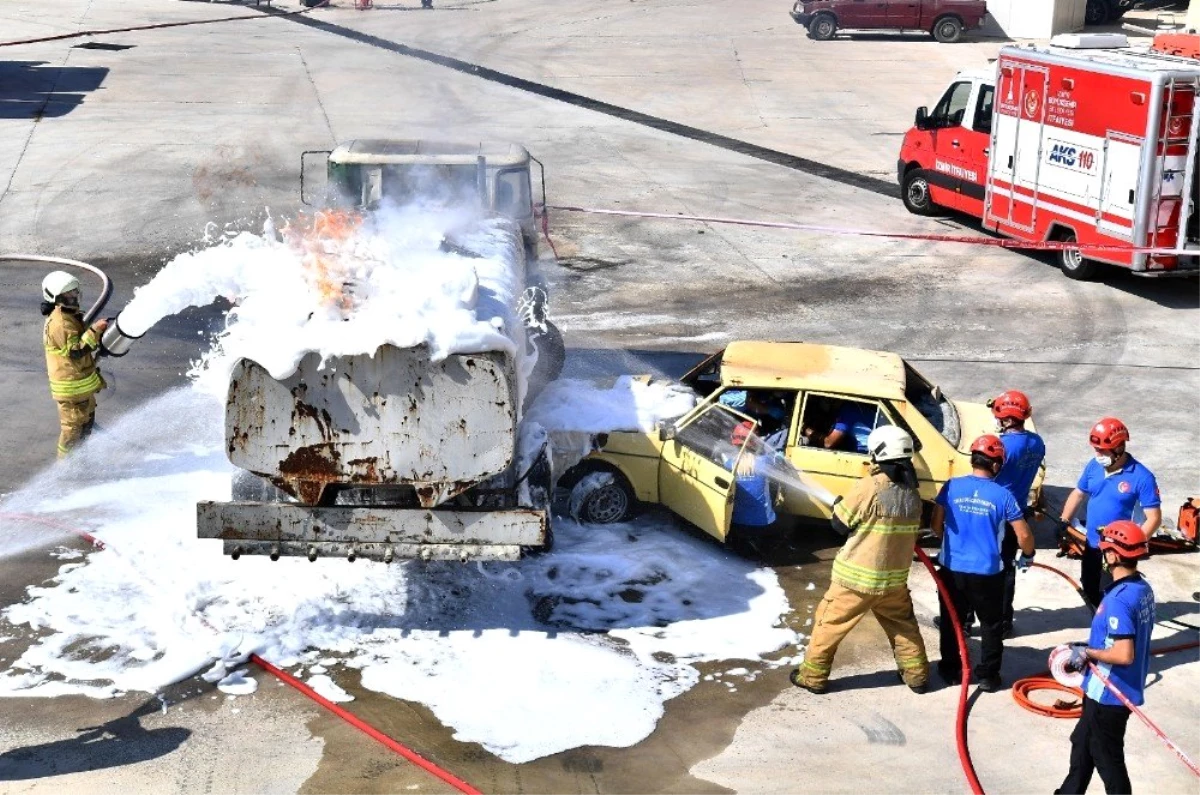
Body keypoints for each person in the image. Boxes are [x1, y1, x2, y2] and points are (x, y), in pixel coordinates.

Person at [789, 426, 928, 694]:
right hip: (893, 583)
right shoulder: (912, 493)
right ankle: (917, 677)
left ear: (878, 453)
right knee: (904, 628)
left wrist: (840, 504)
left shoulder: (869, 486)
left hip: (855, 581)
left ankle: (813, 678)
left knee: (828, 625)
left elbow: (840, 525)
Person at [1055, 520, 1155, 795]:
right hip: (1108, 689)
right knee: (1082, 742)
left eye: (1105, 550)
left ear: (1113, 555)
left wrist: (1088, 652)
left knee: (1107, 758)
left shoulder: (1118, 601)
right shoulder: (1142, 588)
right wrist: (1090, 646)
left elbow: (1124, 653)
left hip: (1110, 695)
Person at [932, 434, 1035, 692]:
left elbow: (935, 526)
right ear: (997, 465)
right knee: (991, 624)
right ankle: (988, 676)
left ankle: (950, 669)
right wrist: (1029, 555)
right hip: (988, 574)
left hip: (951, 568)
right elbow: (1023, 535)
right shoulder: (1004, 496)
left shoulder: (951, 487)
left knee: (951, 620)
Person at [1059, 418, 1161, 609]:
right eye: (1095, 449)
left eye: (1103, 450)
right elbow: (1079, 493)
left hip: (1118, 551)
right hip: (1092, 545)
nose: (1097, 454)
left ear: (1119, 447)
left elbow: (1154, 518)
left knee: (1114, 595)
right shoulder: (1093, 466)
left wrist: (1129, 548)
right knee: (1089, 586)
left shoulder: (1142, 477)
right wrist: (1063, 520)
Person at [990, 390, 1046, 637]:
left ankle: (968, 619)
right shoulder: (1037, 443)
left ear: (1006, 418)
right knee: (1007, 567)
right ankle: (1004, 621)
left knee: (979, 566)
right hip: (1018, 511)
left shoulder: (1001, 446)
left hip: (994, 513)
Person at [41, 271, 107, 458]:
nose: (74, 296)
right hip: (71, 390)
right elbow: (76, 351)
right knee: (72, 431)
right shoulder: (60, 322)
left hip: (80, 386)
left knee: (86, 426)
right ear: (56, 297)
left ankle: (81, 462)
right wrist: (95, 330)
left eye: (74, 292)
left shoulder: (70, 316)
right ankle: (65, 472)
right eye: (68, 294)